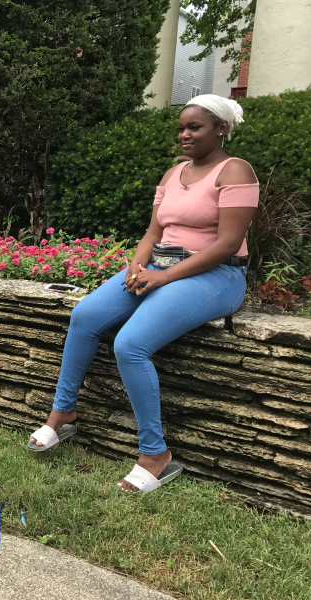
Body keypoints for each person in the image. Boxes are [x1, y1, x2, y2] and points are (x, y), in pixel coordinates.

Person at [27, 94, 259, 493]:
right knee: (85, 316)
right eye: (181, 128)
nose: (185, 134)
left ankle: (156, 455)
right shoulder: (173, 174)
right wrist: (138, 267)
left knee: (130, 344)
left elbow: (225, 244)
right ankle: (62, 415)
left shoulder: (235, 171)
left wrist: (162, 279)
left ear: (221, 128)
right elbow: (153, 234)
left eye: (195, 127)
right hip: (160, 267)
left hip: (218, 274)